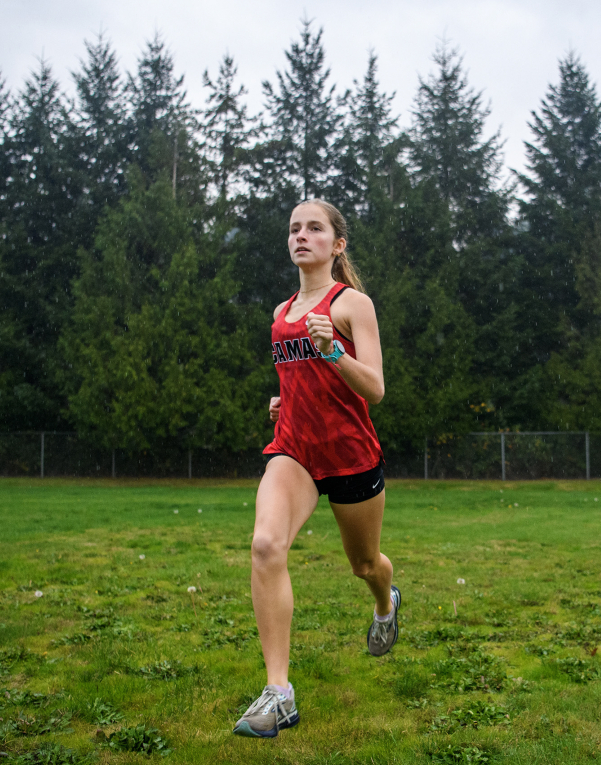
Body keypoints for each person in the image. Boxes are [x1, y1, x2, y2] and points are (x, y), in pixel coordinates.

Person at [233, 200, 400, 739]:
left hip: (351, 455)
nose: (302, 236)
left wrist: (333, 352)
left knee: (365, 564)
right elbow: (298, 383)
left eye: (315, 228)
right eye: (294, 229)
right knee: (265, 545)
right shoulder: (281, 314)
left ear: (337, 243)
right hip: (296, 452)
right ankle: (278, 694)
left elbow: (374, 387)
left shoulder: (353, 304)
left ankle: (385, 602)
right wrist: (284, 404)